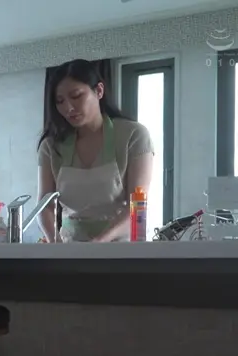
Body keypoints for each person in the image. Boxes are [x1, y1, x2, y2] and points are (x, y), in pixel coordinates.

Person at [37, 59, 154, 243]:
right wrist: (55, 243)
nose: (68, 108)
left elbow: (137, 207)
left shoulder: (133, 135)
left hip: (120, 246)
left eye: (76, 96)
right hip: (70, 247)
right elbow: (45, 206)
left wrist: (100, 241)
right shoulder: (52, 146)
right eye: (60, 101)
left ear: (99, 91)